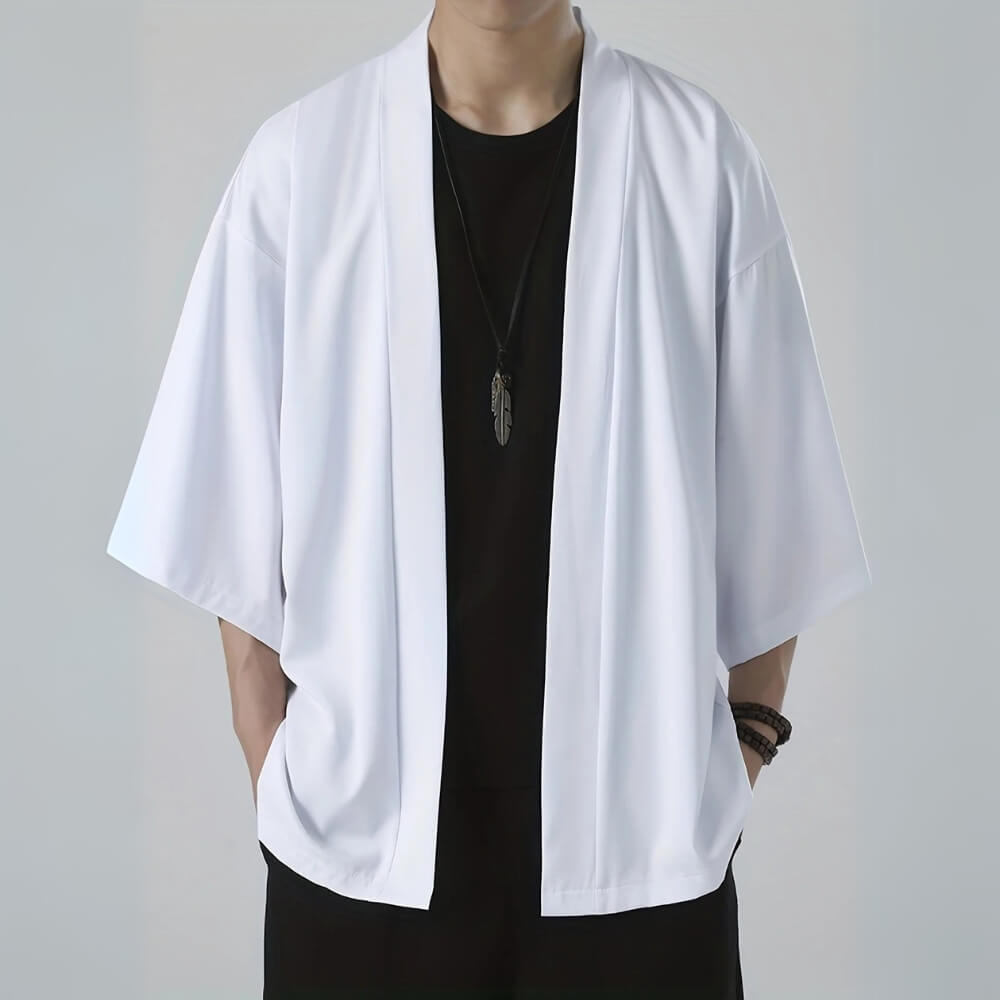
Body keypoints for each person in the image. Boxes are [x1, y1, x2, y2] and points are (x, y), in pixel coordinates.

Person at [106, 2, 872, 995]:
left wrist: (741, 753)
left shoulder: (699, 160)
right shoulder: (300, 166)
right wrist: (275, 770)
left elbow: (782, 511)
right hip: (361, 874)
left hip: (640, 876)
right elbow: (226, 510)